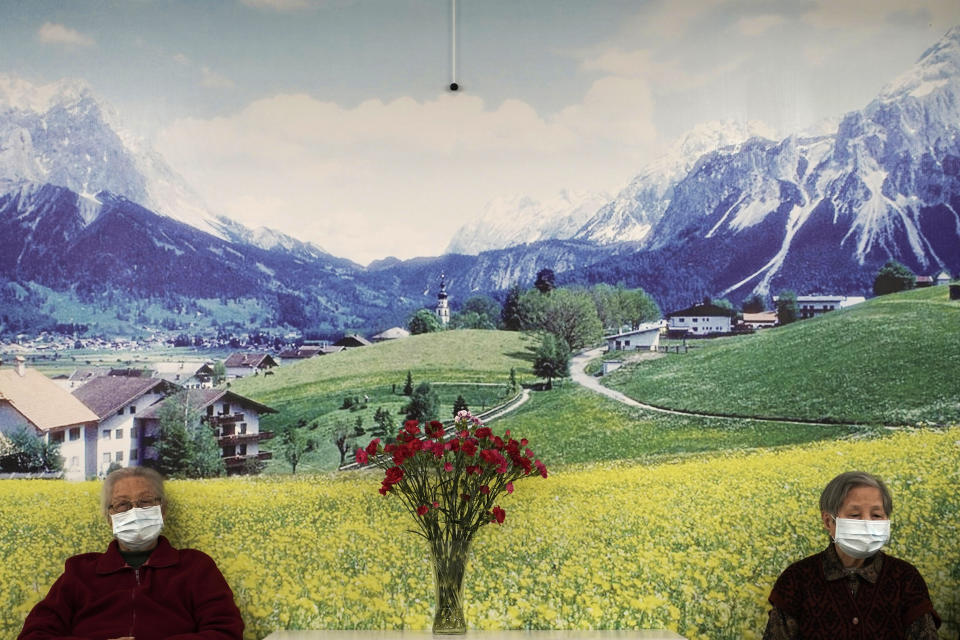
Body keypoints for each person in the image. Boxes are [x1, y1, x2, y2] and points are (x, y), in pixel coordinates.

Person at [19, 467, 244, 640]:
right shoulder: (79, 571)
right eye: (122, 505)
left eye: (145, 502)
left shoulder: (195, 566)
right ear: (109, 517)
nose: (135, 512)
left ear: (162, 510)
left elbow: (225, 632)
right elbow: (34, 635)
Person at [763, 470, 940, 639]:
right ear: (828, 521)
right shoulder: (797, 579)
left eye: (877, 515)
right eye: (855, 515)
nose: (867, 523)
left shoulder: (905, 578)